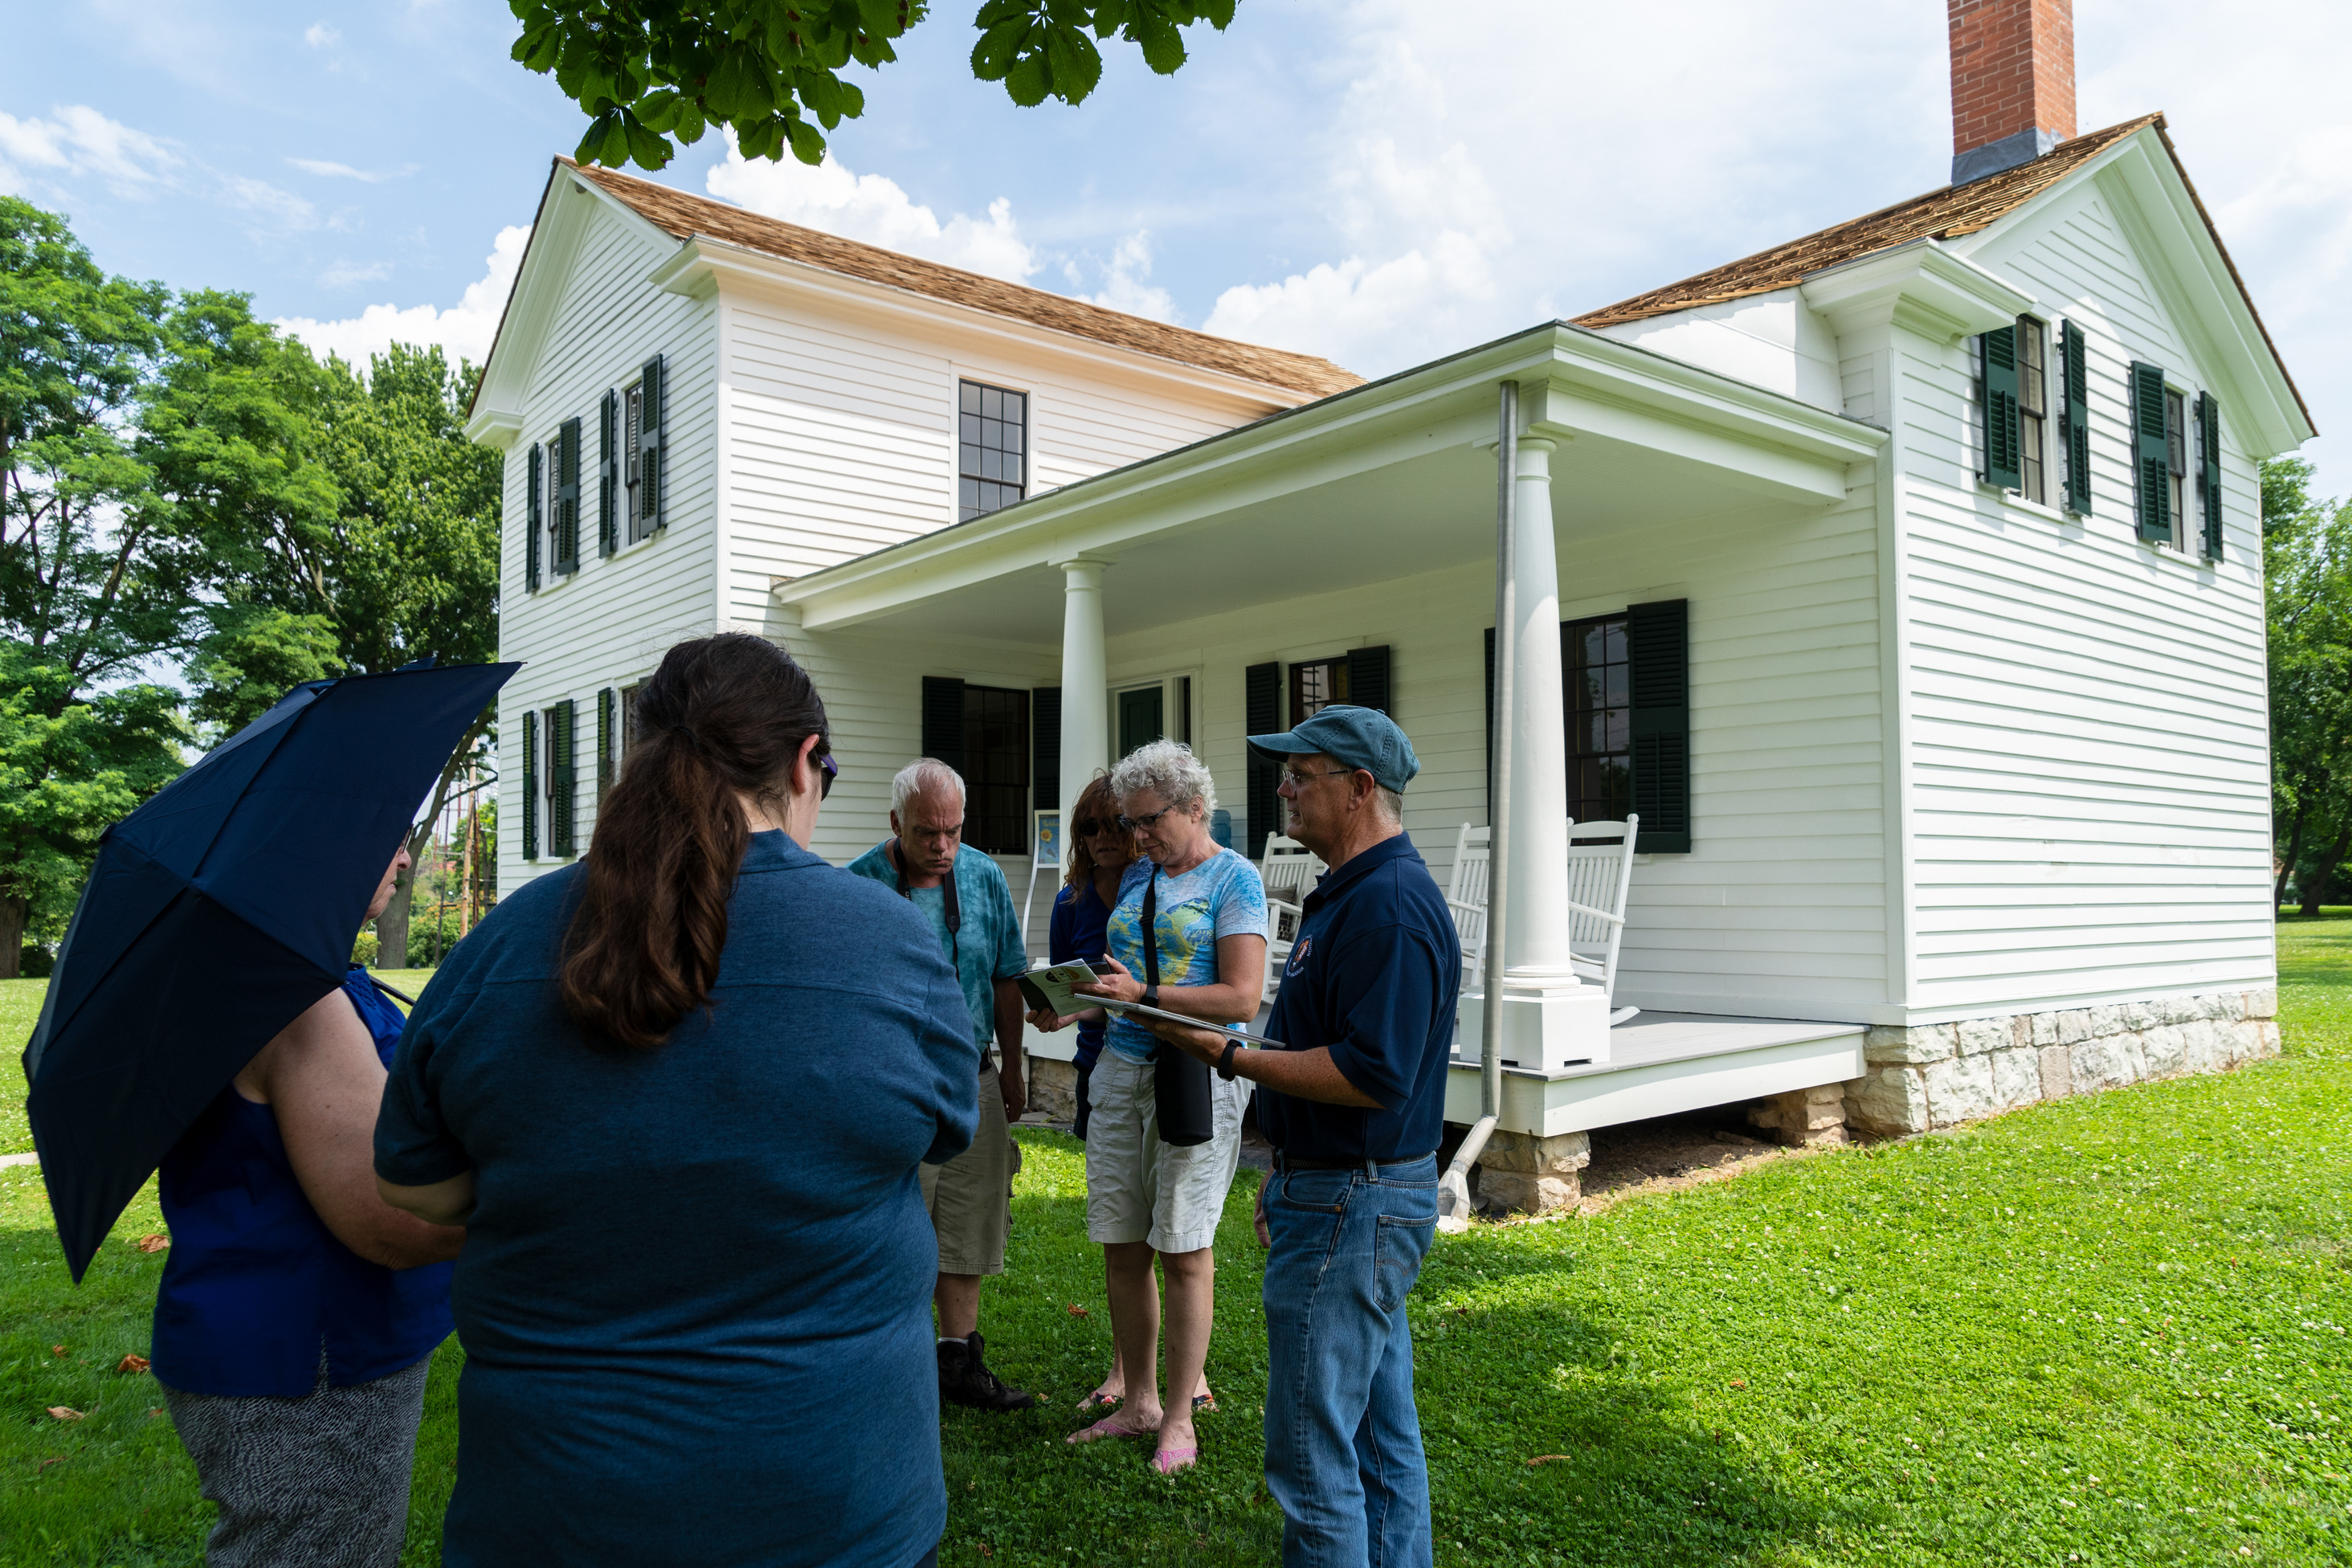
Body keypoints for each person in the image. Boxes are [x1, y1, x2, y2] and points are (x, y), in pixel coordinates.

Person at [374, 633, 977, 1568]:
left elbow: (413, 1183)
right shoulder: (894, 947)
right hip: (835, 1513)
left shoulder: (498, 949)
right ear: (807, 761)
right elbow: (938, 1132)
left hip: (554, 1517)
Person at [1145, 705, 1459, 1566]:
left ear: (1361, 788)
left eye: (1304, 772)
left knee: (1314, 1459)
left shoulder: (1389, 906)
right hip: (1336, 1190)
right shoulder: (1352, 892)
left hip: (1354, 1200)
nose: (1283, 785)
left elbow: (1371, 1072)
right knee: (1376, 1439)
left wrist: (1233, 1056)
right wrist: (1283, 1170)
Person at [152, 843, 464, 1568]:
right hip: (311, 1355)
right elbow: (390, 1219)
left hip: (272, 1331)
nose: (408, 856)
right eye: (388, 834)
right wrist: (554, 1197)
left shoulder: (277, 973)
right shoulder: (300, 1003)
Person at [1048, 739, 1264, 1476]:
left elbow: (1241, 998)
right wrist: (1076, 1008)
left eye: (1150, 821)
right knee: (1121, 1243)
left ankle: (1178, 1417)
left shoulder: (1235, 879)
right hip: (1119, 1073)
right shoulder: (1139, 875)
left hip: (1196, 1078)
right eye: (1132, 823)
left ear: (1195, 806)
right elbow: (1124, 982)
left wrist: (1147, 998)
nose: (1138, 838)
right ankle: (1136, 1401)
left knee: (1184, 1249)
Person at [847, 757, 1039, 1412]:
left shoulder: (983, 876)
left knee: (970, 1220)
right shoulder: (859, 887)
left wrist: (1013, 1067)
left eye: (954, 831)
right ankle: (883, 1365)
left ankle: (958, 1361)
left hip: (973, 1073)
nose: (942, 848)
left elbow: (1006, 978)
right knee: (895, 1222)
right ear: (896, 822)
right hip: (893, 1079)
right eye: (928, 833)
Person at [1035, 777, 1212, 1417]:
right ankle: (1128, 1372)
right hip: (1105, 1062)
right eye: (1092, 829)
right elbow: (1075, 990)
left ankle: (1187, 1379)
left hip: (1174, 1065)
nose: (1107, 838)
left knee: (1179, 1229)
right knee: (1124, 1230)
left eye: (1118, 824)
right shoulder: (1073, 901)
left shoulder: (1164, 884)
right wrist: (1059, 1011)